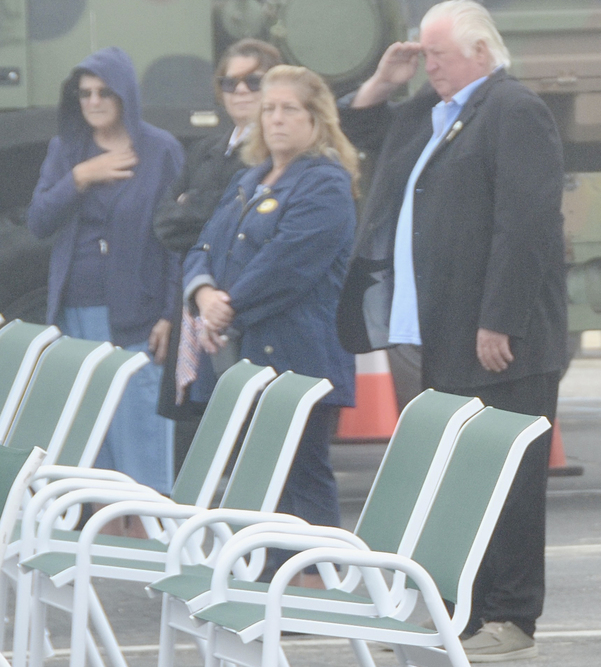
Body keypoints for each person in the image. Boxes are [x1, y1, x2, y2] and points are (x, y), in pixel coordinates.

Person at [337, 0, 568, 662]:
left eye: (436, 54)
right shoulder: (437, 114)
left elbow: (525, 225)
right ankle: (462, 610)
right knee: (461, 478)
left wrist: (500, 318)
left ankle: (511, 615)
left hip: (498, 336)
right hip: (442, 331)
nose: (427, 64)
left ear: (480, 52)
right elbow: (360, 128)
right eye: (425, 54)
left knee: (509, 480)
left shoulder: (511, 109)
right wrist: (382, 80)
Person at [182, 66, 358, 575]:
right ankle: (269, 577)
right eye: (269, 109)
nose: (276, 119)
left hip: (299, 356)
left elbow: (287, 265)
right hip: (245, 354)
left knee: (301, 472)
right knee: (259, 474)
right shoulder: (248, 178)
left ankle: (315, 580)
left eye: (289, 109)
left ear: (316, 119)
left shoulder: (325, 184)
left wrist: (226, 305)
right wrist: (204, 291)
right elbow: (203, 245)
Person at [27, 48, 184, 495]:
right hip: (75, 315)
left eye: (104, 93)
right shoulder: (66, 150)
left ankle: (150, 555)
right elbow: (39, 220)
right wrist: (79, 177)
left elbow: (177, 240)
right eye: (84, 94)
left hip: (137, 315)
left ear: (126, 96)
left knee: (141, 460)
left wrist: (171, 314)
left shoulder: (160, 150)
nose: (93, 102)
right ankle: (101, 557)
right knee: (90, 460)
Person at [154, 39, 282, 470]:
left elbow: (234, 229)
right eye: (230, 81)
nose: (240, 90)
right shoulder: (207, 149)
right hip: (193, 312)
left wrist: (196, 209)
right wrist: (201, 213)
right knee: (193, 448)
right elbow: (166, 224)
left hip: (239, 312)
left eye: (253, 80)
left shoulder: (275, 155)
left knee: (249, 453)